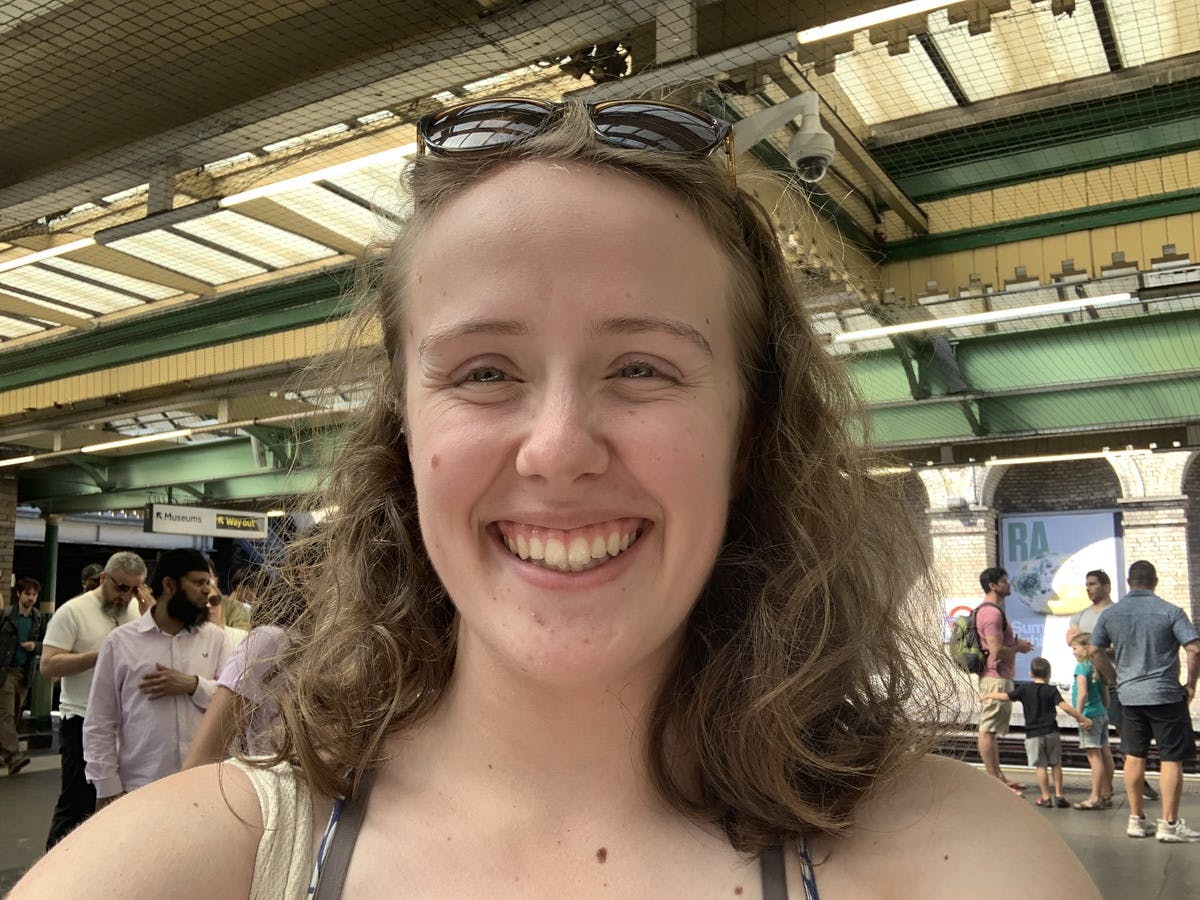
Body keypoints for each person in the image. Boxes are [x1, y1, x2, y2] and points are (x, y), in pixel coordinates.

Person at [13, 97, 1098, 898]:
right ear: (404, 434)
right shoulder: (178, 868)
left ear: (751, 433)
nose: (560, 449)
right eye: (485, 371)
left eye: (643, 368)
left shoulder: (965, 865)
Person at [83, 549, 230, 809]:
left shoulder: (215, 639)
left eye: (208, 583)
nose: (207, 591)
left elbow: (231, 704)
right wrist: (107, 788)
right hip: (141, 787)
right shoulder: (120, 643)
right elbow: (100, 721)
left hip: (204, 785)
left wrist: (192, 685)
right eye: (198, 583)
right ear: (169, 585)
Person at [39, 550, 149, 847]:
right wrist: (100, 657)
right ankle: (55, 864)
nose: (125, 596)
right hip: (81, 717)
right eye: (121, 587)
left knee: (118, 802)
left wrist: (151, 612)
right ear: (103, 579)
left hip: (126, 722)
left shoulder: (139, 612)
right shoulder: (73, 611)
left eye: (134, 589)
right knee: (76, 802)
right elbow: (48, 665)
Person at [1091, 560, 1200, 843]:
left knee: (1134, 755)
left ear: (1129, 582)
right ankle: (1169, 825)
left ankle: (1136, 820)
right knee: (1171, 758)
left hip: (1129, 697)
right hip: (1166, 695)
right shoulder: (1171, 611)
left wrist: (1115, 679)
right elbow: (1194, 649)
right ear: (1155, 581)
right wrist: (1190, 685)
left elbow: (1094, 650)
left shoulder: (1111, 614)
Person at [982, 657, 1092, 808]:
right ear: (1049, 674)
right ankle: (1059, 795)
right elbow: (1065, 707)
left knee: (1041, 766)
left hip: (1034, 735)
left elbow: (1005, 696)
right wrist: (1082, 718)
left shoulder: (1024, 689)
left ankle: (1046, 797)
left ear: (1031, 674)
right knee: (1056, 764)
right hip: (1052, 732)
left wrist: (988, 695)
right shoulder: (1052, 690)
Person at [975, 566, 1034, 794]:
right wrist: (1018, 647)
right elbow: (997, 651)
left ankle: (999, 777)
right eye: (1004, 581)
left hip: (998, 677)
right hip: (995, 677)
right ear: (993, 586)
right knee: (988, 729)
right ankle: (994, 782)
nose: (1008, 584)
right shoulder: (991, 614)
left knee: (992, 730)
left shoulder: (991, 611)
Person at [0, 576, 45, 775]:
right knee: (6, 714)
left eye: (34, 594)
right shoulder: (7, 615)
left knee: (15, 714)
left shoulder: (38, 619)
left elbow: (47, 643)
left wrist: (35, 646)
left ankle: (4, 754)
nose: (31, 598)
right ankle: (13, 756)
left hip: (24, 672)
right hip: (6, 671)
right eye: (27, 594)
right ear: (19, 594)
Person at [1069, 633, 1113, 809]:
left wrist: (1079, 715)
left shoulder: (1081, 667)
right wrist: (1104, 710)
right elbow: (1106, 694)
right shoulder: (1098, 666)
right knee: (1104, 753)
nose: (1073, 652)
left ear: (1085, 648)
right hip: (1101, 713)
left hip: (1088, 715)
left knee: (1094, 757)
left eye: (1075, 648)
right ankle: (1106, 793)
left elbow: (1082, 693)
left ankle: (1095, 797)